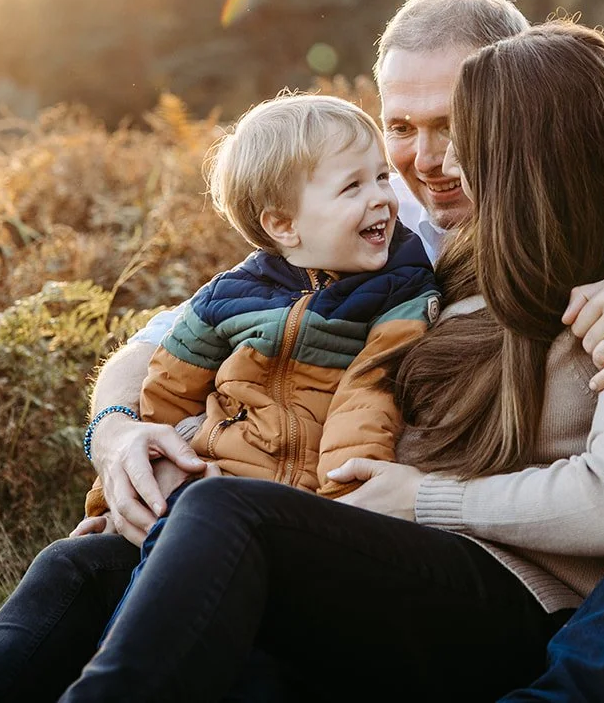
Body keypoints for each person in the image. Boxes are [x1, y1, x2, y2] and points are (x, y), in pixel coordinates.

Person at [0, 0, 604, 702]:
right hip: (428, 563)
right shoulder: (386, 220)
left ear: (524, 119)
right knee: (91, 565)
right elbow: (192, 332)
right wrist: (122, 436)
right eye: (399, 128)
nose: (425, 161)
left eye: (457, 124)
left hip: (596, 592)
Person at [72, 94, 438, 634]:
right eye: (353, 187)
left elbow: (369, 399)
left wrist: (341, 512)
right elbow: (162, 400)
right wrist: (115, 498)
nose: (384, 199)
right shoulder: (230, 296)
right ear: (284, 225)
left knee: (179, 610)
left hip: (297, 514)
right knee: (85, 574)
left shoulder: (400, 289)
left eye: (382, 177)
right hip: (207, 488)